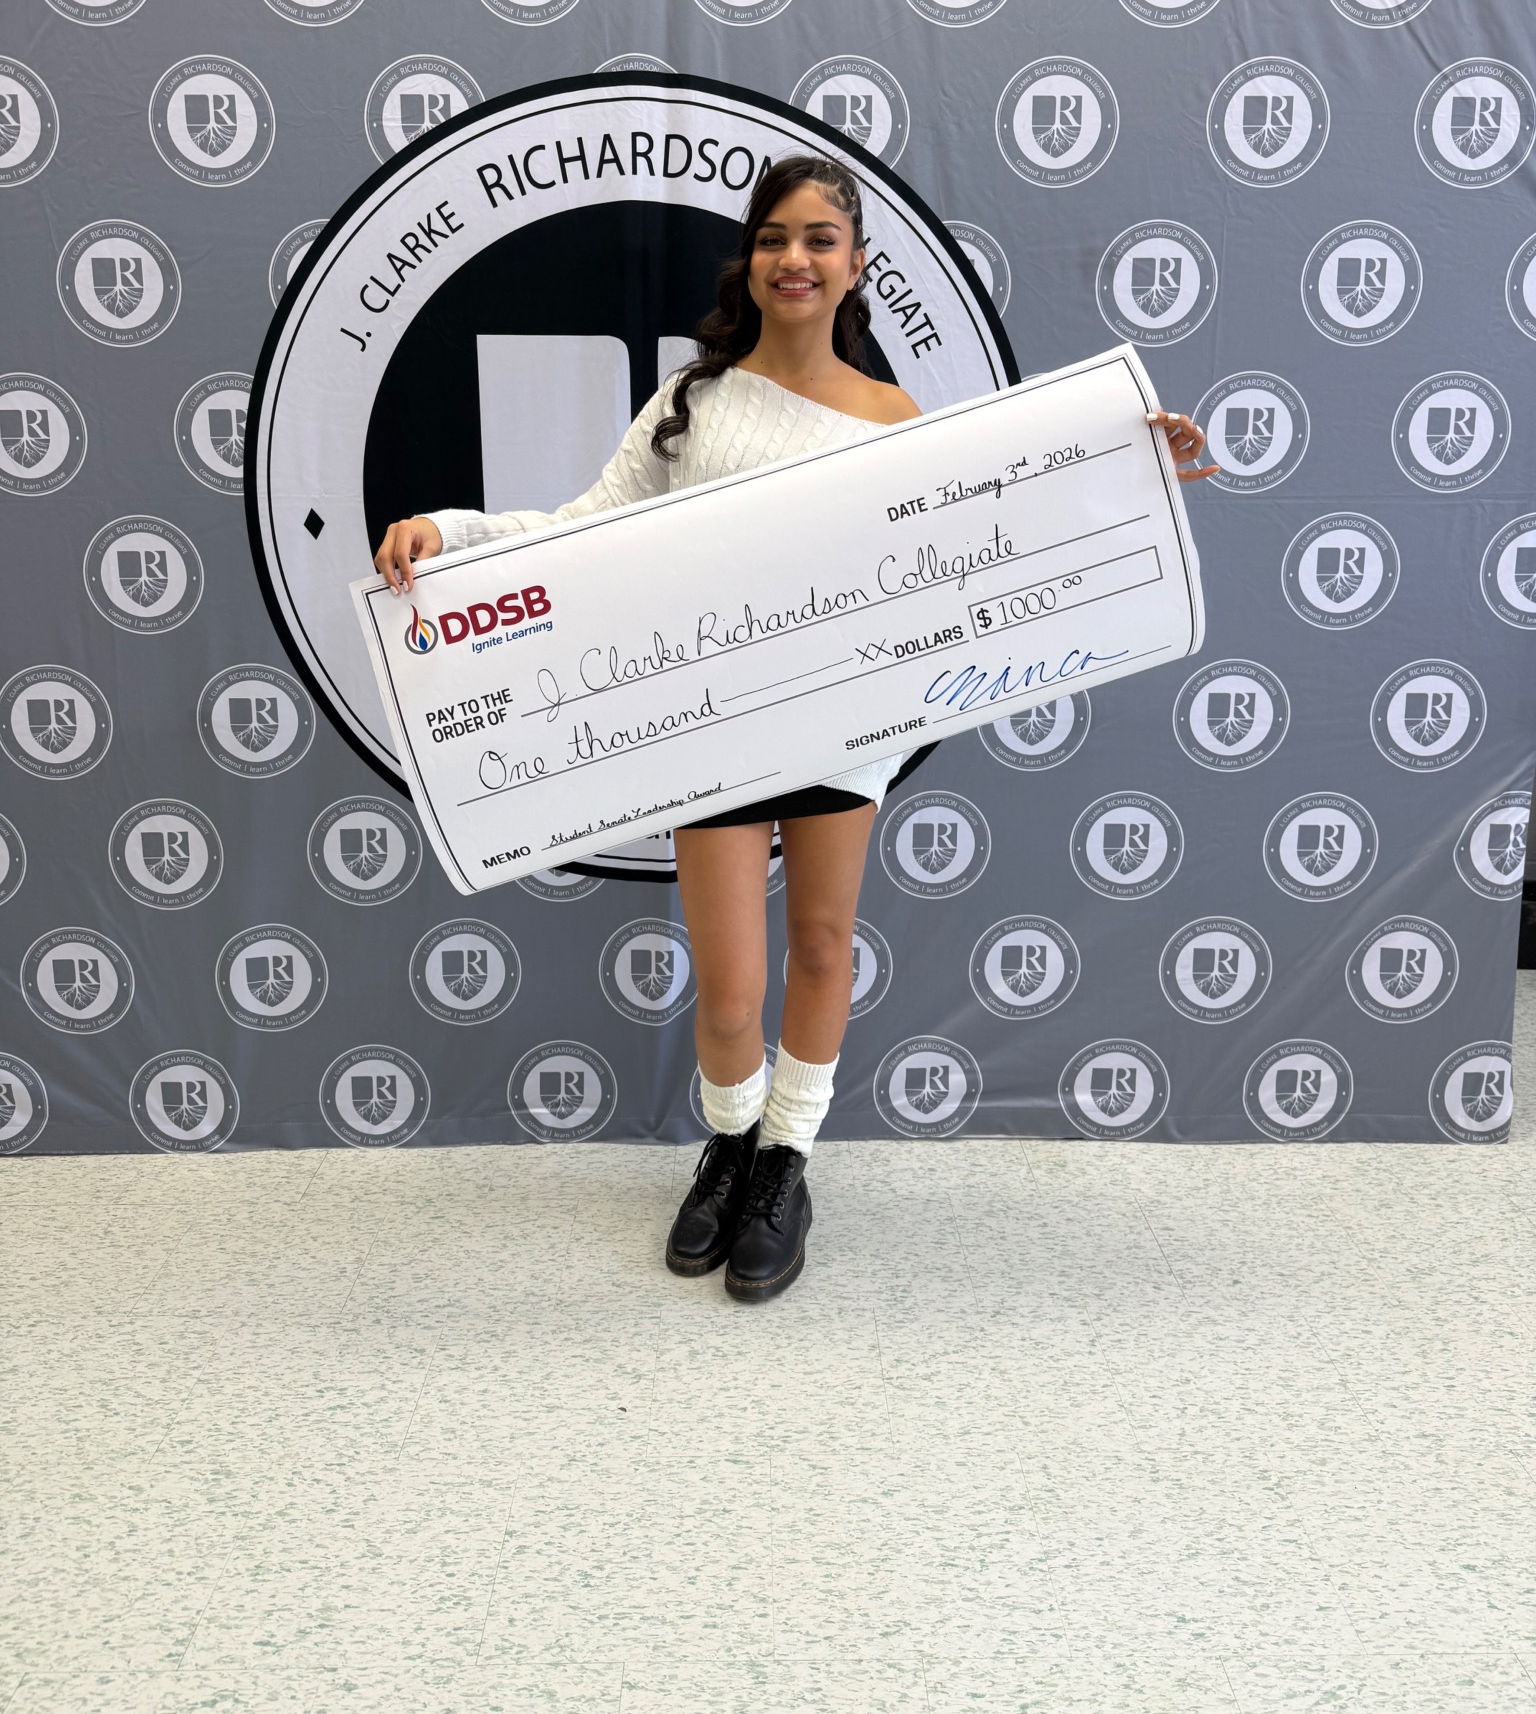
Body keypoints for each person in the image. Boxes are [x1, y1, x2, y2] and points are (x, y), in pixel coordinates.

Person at [374, 153, 1216, 1303]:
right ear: (751, 257)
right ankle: (728, 1144)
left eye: (821, 238)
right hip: (708, 727)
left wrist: (1137, 471)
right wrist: (449, 530)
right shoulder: (695, 401)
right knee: (728, 991)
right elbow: (578, 532)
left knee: (821, 945)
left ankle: (784, 1162)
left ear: (856, 263)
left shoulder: (896, 418)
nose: (796, 257)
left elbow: (1003, 528)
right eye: (775, 236)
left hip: (844, 726)